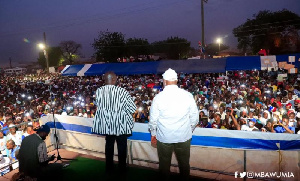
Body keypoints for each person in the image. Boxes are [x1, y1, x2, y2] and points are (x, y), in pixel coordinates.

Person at [149, 68, 199, 181]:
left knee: (164, 166)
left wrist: (153, 134)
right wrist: (188, 130)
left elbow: (153, 120)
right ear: (176, 81)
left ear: (164, 81)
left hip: (164, 138)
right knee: (184, 164)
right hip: (183, 137)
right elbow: (195, 118)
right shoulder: (187, 96)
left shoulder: (158, 98)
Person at [92, 71, 136, 174]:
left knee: (109, 146)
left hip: (107, 125)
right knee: (122, 148)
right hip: (120, 125)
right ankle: (122, 169)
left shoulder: (99, 91)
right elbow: (132, 108)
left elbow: (98, 105)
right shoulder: (122, 91)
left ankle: (109, 167)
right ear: (114, 80)